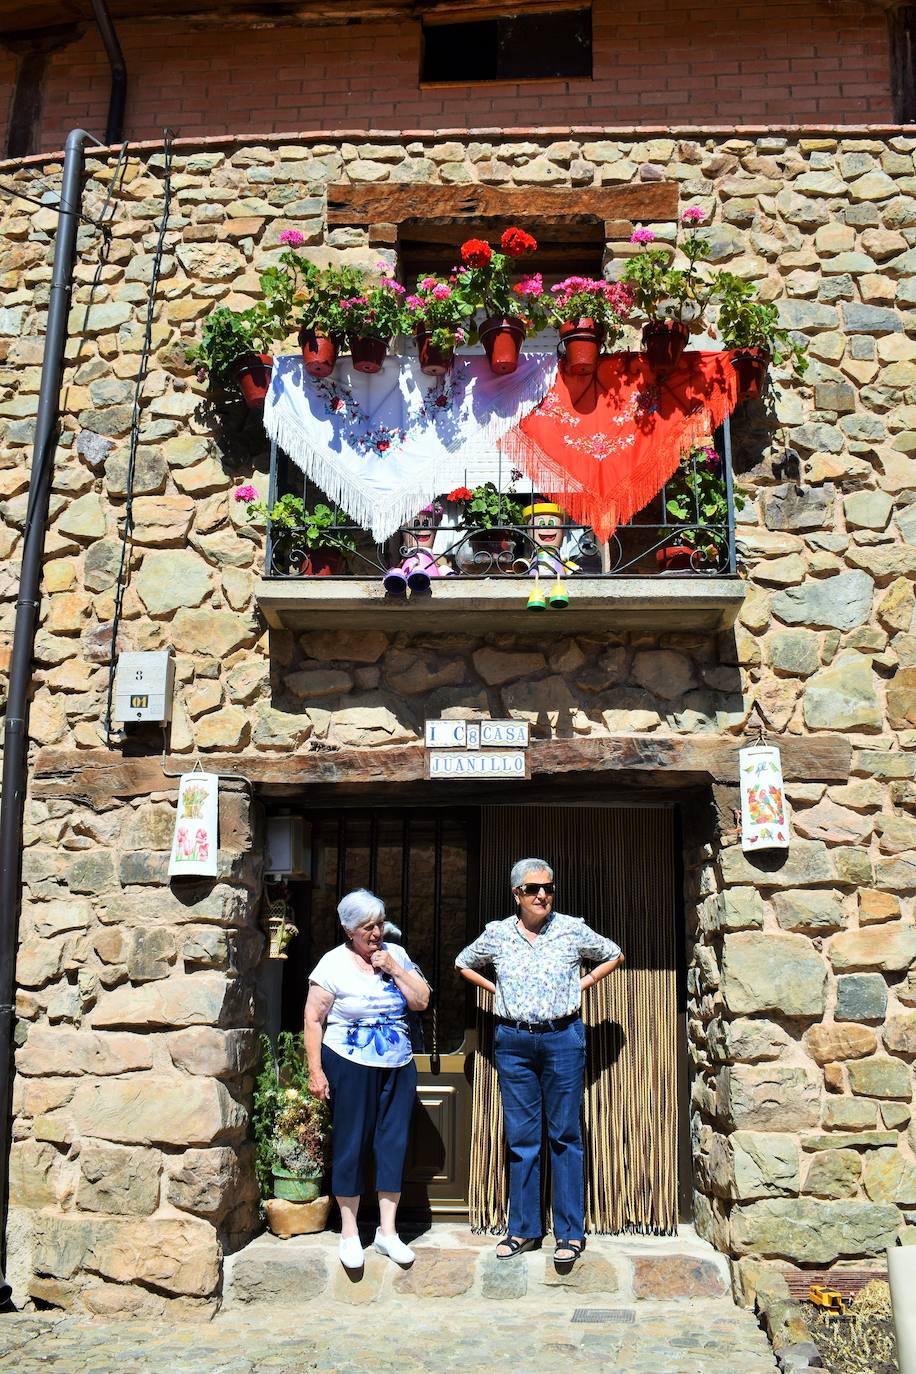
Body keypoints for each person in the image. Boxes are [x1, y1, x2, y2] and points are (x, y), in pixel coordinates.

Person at [455, 858, 623, 1268]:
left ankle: (570, 1232)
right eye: (532, 889)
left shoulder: (570, 928)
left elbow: (613, 954)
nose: (542, 895)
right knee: (522, 1138)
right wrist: (498, 990)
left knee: (565, 1134)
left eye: (547, 888)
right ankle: (524, 1229)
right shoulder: (497, 934)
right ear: (517, 894)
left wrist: (579, 984)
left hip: (563, 1038)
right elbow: (462, 963)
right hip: (513, 1042)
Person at [305, 888, 429, 1270]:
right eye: (366, 928)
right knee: (351, 1143)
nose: (375, 934)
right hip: (349, 1062)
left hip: (397, 1063)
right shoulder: (331, 965)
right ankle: (349, 1233)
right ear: (348, 930)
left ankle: (387, 1233)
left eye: (378, 925)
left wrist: (393, 968)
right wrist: (316, 1070)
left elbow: (422, 1001)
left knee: (393, 1142)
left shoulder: (398, 956)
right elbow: (313, 1020)